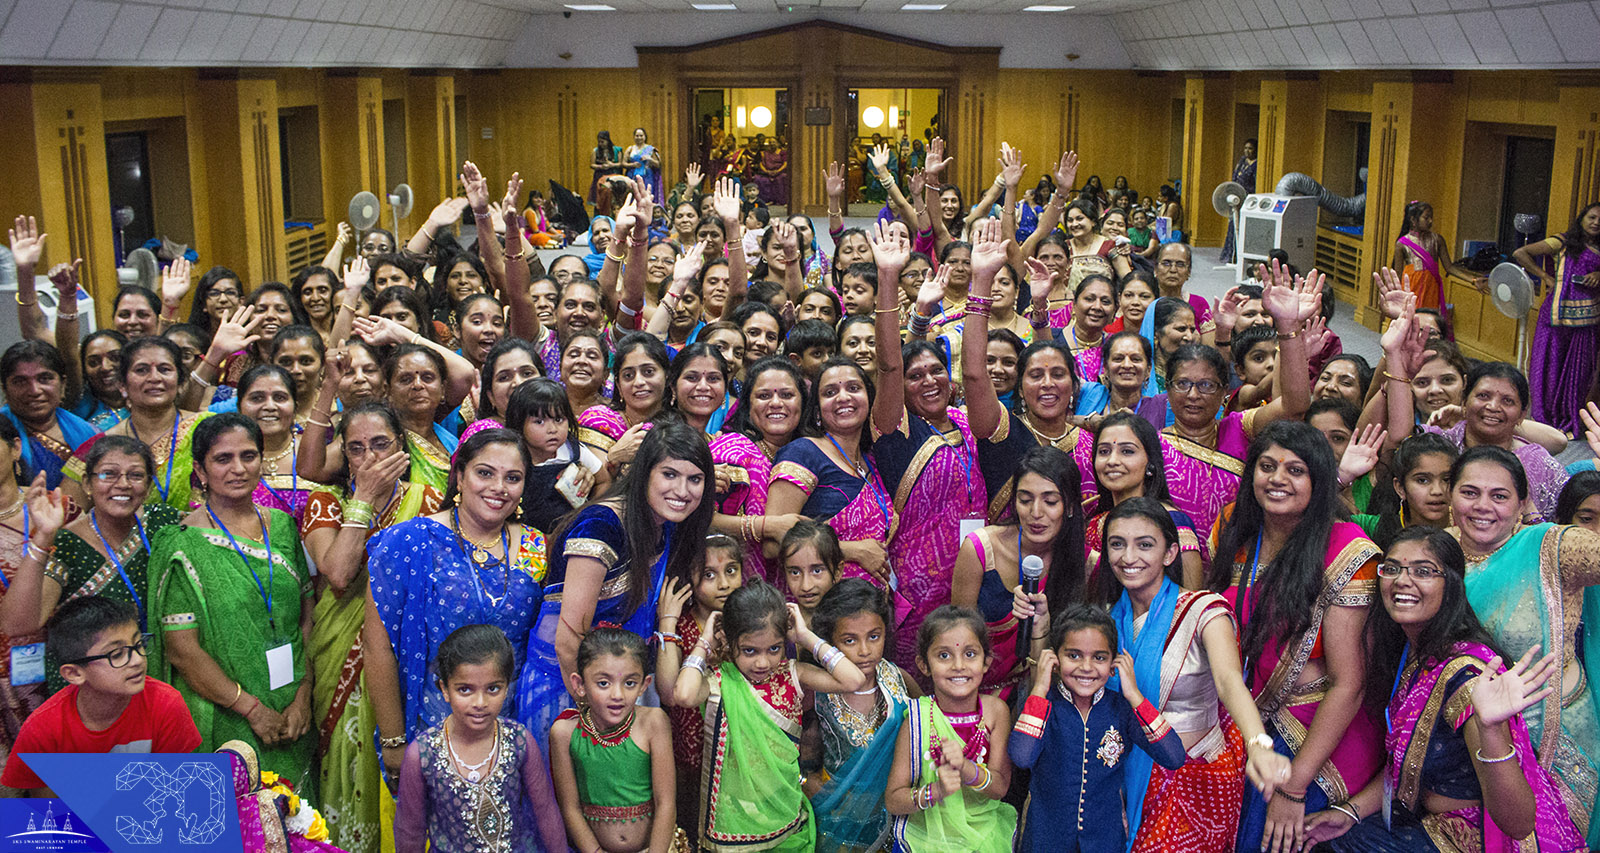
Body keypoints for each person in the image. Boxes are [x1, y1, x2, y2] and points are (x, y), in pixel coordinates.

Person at [1300, 526, 1586, 851]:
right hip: (1420, 821)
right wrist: (1350, 812)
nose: (1402, 580)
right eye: (1392, 568)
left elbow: (1519, 824)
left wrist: (1490, 729)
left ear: (1451, 584)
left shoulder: (1468, 676)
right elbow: (1404, 767)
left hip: (1472, 838)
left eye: (1423, 571)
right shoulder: (1413, 652)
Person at [1066, 499, 1290, 851]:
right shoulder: (1108, 622)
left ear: (1170, 553)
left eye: (1144, 544)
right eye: (1117, 544)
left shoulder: (1204, 611)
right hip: (1120, 781)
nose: (1128, 557)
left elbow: (1229, 682)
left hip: (1193, 785)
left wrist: (1258, 744)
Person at [1210, 421, 1383, 853]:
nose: (1277, 479)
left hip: (1314, 733)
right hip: (1240, 716)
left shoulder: (1348, 550)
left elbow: (1349, 684)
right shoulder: (1234, 530)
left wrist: (1295, 787)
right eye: (1267, 466)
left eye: (1295, 470)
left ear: (1319, 480)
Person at [365, 428, 547, 790]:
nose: (499, 487)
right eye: (485, 473)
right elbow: (376, 646)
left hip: (511, 732)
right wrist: (393, 740)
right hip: (431, 731)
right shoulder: (409, 541)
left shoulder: (534, 543)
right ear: (459, 476)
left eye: (513, 478)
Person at [146, 413, 316, 793]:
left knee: (300, 829)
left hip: (293, 707)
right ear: (200, 470)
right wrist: (251, 710)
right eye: (223, 459)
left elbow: (306, 616)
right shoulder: (181, 544)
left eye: (249, 455)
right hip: (226, 715)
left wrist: (303, 694)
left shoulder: (285, 526)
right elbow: (182, 651)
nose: (238, 468)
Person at [299, 401, 442, 853]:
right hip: (341, 658)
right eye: (356, 448)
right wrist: (361, 500)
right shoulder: (326, 503)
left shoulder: (429, 502)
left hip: (411, 661)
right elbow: (338, 575)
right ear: (343, 454)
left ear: (402, 446)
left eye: (380, 445)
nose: (370, 459)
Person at [520, 420, 714, 740]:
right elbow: (569, 639)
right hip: (565, 690)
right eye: (669, 475)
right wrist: (599, 720)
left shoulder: (664, 524)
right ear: (644, 474)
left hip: (617, 693)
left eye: (694, 479)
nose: (682, 491)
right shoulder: (602, 526)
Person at [1446, 445, 1600, 844]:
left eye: (1499, 496)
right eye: (1469, 492)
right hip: (1469, 736)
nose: (1483, 506)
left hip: (1559, 732)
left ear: (1522, 503)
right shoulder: (1433, 554)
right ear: (1450, 495)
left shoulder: (1552, 546)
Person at [669, 579, 867, 851]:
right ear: (727, 639)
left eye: (774, 648)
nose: (763, 662)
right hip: (734, 819)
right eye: (750, 651)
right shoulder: (721, 680)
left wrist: (806, 637)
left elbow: (853, 680)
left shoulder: (793, 674)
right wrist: (705, 642)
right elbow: (683, 695)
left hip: (784, 811)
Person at [5, 436, 181, 694]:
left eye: (135, 475)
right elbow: (17, 625)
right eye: (108, 474)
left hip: (160, 676)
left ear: (148, 486)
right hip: (90, 690)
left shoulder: (165, 524)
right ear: (87, 483)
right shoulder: (67, 543)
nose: (122, 484)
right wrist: (43, 537)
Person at [1006, 603, 1185, 853]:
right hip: (1046, 840)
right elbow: (1022, 757)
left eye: (1099, 657)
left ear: (1115, 663)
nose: (1087, 667)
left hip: (1105, 842)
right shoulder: (1045, 708)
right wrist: (1039, 687)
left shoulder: (1121, 710)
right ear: (1055, 658)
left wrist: (1134, 694)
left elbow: (1174, 756)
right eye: (1074, 655)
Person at [394, 624, 567, 853]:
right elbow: (410, 831)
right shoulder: (423, 754)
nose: (480, 703)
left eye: (493, 689)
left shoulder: (519, 741)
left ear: (507, 687)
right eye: (465, 690)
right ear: (444, 689)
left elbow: (545, 811)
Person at [0, 597, 201, 794]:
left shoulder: (165, 703)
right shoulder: (42, 728)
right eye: (116, 654)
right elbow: (45, 810)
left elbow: (174, 792)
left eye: (139, 645)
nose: (137, 660)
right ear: (74, 673)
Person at [952, 445, 1086, 698]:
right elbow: (959, 634)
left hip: (1051, 689)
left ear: (1069, 507)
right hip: (979, 691)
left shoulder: (1086, 563)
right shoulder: (981, 549)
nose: (1036, 513)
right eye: (1025, 500)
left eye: (1050, 501)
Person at [884, 605, 1016, 852]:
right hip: (925, 838)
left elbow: (999, 788)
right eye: (943, 655)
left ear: (986, 662)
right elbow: (893, 799)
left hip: (984, 834)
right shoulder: (917, 718)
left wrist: (966, 769)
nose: (958, 665)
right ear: (924, 665)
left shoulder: (996, 712)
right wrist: (937, 790)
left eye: (970, 654)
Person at [805, 578, 919, 853]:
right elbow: (801, 761)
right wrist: (812, 787)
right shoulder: (819, 694)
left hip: (896, 822)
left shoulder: (898, 680)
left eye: (874, 636)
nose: (865, 650)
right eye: (849, 640)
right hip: (838, 823)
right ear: (829, 642)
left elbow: (927, 725)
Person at [768, 357, 897, 587]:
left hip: (871, 607)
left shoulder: (873, 461)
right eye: (830, 392)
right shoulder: (803, 453)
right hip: (818, 606)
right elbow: (772, 545)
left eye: (854, 388)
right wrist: (852, 551)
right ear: (817, 410)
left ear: (869, 399)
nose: (844, 397)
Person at [550, 627, 679, 853]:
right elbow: (570, 808)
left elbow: (666, 803)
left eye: (629, 683)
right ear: (579, 684)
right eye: (603, 683)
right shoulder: (564, 733)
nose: (617, 695)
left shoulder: (653, 723)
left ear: (644, 684)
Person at [654, 534, 742, 841]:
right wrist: (667, 621)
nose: (724, 583)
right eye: (709, 574)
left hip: (741, 758)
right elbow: (668, 693)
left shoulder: (748, 624)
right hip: (692, 761)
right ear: (690, 580)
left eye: (731, 570)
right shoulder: (682, 626)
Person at [1086, 412, 1209, 586]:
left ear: (1150, 462)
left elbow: (1192, 603)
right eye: (1104, 451)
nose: (1112, 461)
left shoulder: (1173, 523)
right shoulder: (1095, 525)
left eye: (1127, 451)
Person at [1515, 201, 1600, 434]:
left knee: (1580, 374)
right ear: (1582, 218)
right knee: (1549, 368)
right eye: (1592, 217)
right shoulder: (1562, 242)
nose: (1596, 223)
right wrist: (1545, 277)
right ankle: (1546, 421)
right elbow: (1521, 253)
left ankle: (1571, 419)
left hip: (1587, 321)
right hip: (1554, 316)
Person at [1, 341, 98, 490]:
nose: (34, 391)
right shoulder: (2, 436)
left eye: (44, 379)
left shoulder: (89, 434)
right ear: (5, 389)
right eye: (20, 381)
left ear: (63, 383)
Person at [1391, 200, 1452, 311]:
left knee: (1428, 319)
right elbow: (1397, 276)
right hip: (1411, 286)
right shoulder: (1401, 244)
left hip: (1431, 287)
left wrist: (1472, 280)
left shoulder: (1437, 240)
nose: (1430, 221)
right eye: (1426, 217)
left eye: (1431, 217)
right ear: (1413, 220)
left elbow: (1450, 268)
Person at [1220, 139, 1257, 263]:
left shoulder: (1257, 164)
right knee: (1233, 225)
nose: (1247, 151)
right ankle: (1230, 255)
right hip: (1236, 199)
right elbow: (1235, 176)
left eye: (1250, 148)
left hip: (1248, 200)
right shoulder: (1242, 161)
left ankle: (1241, 257)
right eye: (1245, 148)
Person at [591, 130, 625, 203]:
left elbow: (620, 164)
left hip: (613, 175)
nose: (600, 144)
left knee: (612, 196)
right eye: (599, 142)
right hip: (599, 175)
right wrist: (601, 166)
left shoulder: (617, 150)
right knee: (600, 197)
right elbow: (592, 164)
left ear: (607, 140)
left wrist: (611, 165)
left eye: (602, 142)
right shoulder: (595, 151)